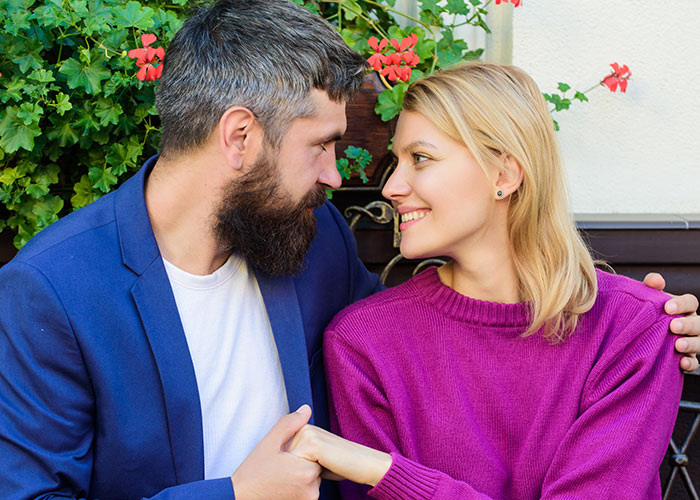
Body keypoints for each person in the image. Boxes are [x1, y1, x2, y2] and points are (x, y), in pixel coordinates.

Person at [0, 2, 697, 499]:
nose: (344, 177)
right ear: (240, 138)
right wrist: (236, 496)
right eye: (323, 146)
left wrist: (644, 319)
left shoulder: (312, 239)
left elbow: (450, 325)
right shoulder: (52, 289)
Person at [285, 62, 696, 499]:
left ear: (503, 175)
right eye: (396, 160)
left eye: (419, 158)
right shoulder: (363, 341)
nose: (391, 186)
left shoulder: (635, 328)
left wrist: (386, 472)